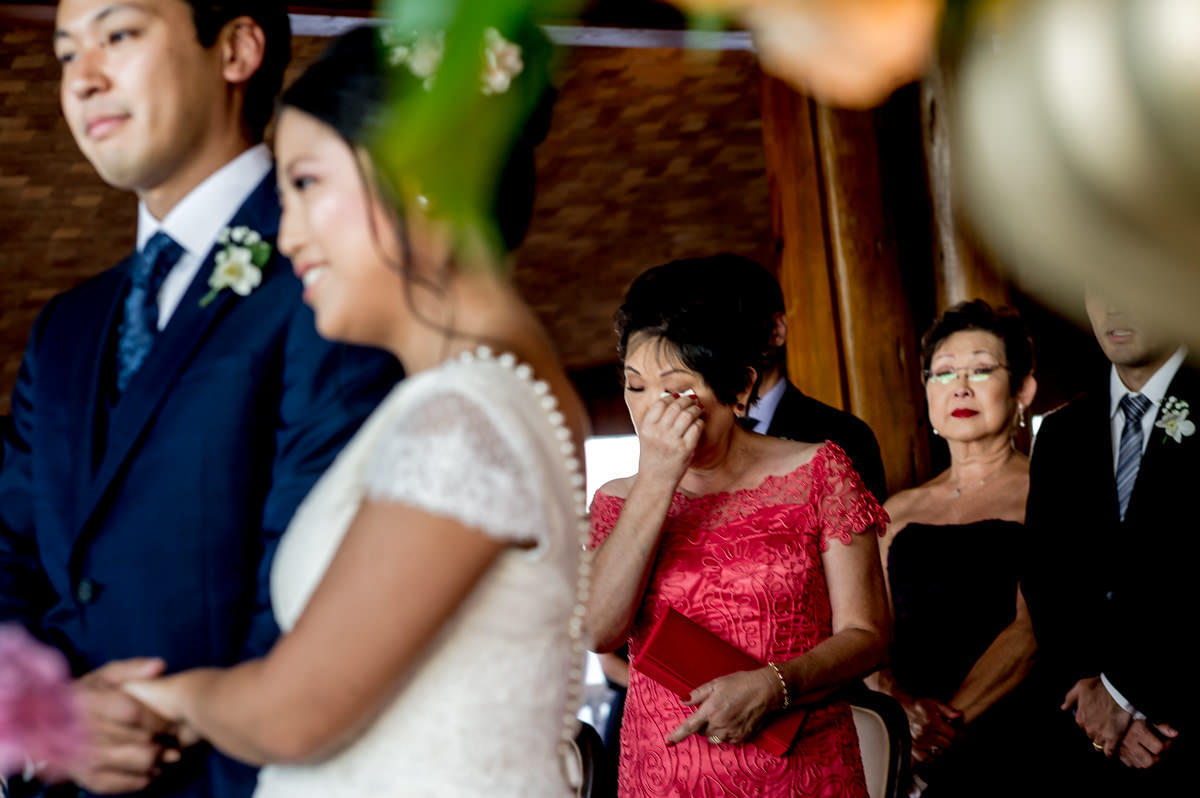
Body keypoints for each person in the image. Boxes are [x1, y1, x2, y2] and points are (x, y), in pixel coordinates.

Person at [123, 24, 589, 798]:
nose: (287, 235)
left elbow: (295, 714)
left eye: (306, 184)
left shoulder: (464, 416)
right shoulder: (486, 392)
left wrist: (171, 699)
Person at [0, 2, 401, 797]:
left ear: (236, 49)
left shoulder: (331, 275)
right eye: (66, 53)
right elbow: (9, 552)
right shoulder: (65, 328)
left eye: (118, 35)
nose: (83, 80)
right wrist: (44, 719)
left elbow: (322, 582)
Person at [586, 261, 890, 797]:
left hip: (804, 770)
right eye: (635, 386)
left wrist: (776, 685)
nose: (651, 410)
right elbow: (598, 631)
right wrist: (657, 478)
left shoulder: (819, 471)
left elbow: (867, 635)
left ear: (740, 386)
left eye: (676, 390)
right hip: (666, 775)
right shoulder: (617, 500)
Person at [1022, 289, 1195, 796]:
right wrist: (1091, 698)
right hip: (1086, 738)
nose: (1116, 306)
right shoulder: (1060, 433)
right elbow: (1044, 581)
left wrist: (1125, 694)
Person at [866, 300, 1040, 796]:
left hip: (1016, 735)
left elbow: (1032, 632)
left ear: (1023, 389)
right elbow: (865, 631)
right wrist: (900, 713)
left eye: (981, 369)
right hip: (905, 741)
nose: (960, 386)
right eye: (943, 373)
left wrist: (940, 735)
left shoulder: (1049, 494)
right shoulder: (897, 509)